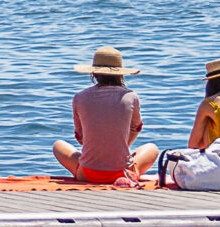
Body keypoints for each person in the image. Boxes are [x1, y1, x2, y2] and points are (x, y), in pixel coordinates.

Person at [53, 45, 159, 182]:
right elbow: (136, 128)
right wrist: (119, 148)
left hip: (87, 173)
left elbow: (81, 138)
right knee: (152, 148)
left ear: (94, 73)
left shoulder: (79, 97)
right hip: (122, 173)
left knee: (58, 145)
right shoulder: (131, 96)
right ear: (120, 73)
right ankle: (131, 173)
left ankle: (92, 167)